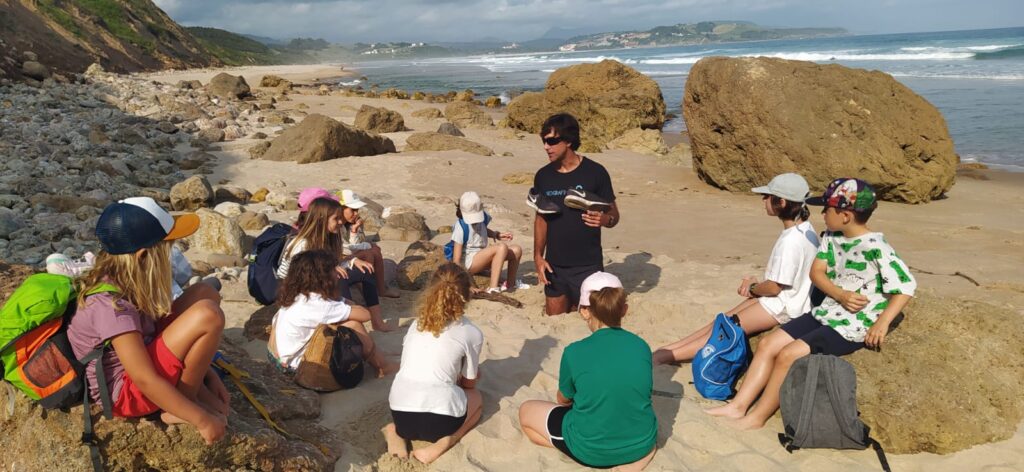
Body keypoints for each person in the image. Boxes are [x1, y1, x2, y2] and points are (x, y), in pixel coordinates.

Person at [706, 178, 917, 430]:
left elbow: (904, 286)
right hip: (825, 312)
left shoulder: (877, 247)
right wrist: (839, 294)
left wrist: (882, 323)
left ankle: (757, 417)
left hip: (852, 324)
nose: (822, 213)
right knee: (767, 344)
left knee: (787, 354)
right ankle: (738, 406)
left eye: (827, 208)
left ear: (846, 215)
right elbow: (816, 273)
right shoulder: (831, 237)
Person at [67, 197, 229, 445]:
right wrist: (201, 420)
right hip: (126, 393)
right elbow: (144, 378)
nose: (173, 255)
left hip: (143, 362)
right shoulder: (111, 305)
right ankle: (179, 405)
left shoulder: (125, 277)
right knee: (208, 314)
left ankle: (190, 392)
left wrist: (206, 372)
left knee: (204, 293)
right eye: (167, 248)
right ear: (143, 256)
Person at [653, 173, 819, 365]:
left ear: (781, 202)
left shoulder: (791, 241)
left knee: (724, 330)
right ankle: (670, 349)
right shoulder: (806, 229)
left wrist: (752, 288)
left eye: (767, 196)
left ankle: (665, 356)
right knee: (722, 320)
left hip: (785, 305)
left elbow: (774, 288)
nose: (764, 200)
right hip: (788, 298)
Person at [519, 272, 657, 470]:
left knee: (526, 411)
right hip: (642, 443)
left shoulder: (574, 351)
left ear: (584, 311)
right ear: (624, 310)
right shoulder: (642, 346)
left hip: (591, 450)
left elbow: (563, 400)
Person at [383, 263, 484, 464]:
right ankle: (446, 442)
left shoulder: (416, 323)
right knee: (477, 399)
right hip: (441, 423)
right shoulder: (471, 332)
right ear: (467, 295)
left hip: (401, 414)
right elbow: (469, 385)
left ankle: (394, 432)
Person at [531, 113, 620, 316]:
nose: (546, 147)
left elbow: (614, 214)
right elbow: (541, 218)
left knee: (594, 321)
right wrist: (537, 256)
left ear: (569, 141)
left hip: (588, 266)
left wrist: (605, 220)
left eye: (552, 141)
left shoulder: (595, 173)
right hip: (555, 267)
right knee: (555, 318)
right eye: (544, 141)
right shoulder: (543, 176)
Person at [269, 250, 398, 378]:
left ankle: (377, 356)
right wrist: (340, 299)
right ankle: (383, 366)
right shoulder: (318, 304)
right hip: (301, 369)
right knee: (352, 324)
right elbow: (365, 315)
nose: (337, 274)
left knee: (339, 319)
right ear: (322, 277)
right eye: (333, 270)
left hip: (280, 361)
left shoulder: (296, 296)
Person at [277, 192, 394, 332]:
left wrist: (352, 261)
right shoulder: (303, 244)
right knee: (340, 278)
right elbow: (295, 276)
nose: (340, 222)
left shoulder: (328, 237)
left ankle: (376, 321)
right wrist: (331, 270)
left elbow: (334, 261)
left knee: (365, 270)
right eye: (336, 219)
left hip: (315, 280)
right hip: (297, 289)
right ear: (322, 219)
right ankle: (347, 324)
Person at [451, 191, 528, 293]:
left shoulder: (483, 218)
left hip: (482, 256)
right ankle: (493, 288)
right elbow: (456, 260)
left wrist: (496, 235)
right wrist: (465, 284)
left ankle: (510, 284)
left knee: (516, 250)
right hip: (470, 262)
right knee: (501, 248)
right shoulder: (460, 227)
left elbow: (483, 230)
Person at [336, 188, 401, 299]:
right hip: (338, 262)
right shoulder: (335, 225)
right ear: (341, 209)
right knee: (369, 252)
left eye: (357, 210)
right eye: (353, 210)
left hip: (343, 257)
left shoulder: (343, 225)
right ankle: (367, 293)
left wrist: (354, 231)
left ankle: (380, 290)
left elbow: (350, 246)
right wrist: (366, 246)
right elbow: (345, 249)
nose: (356, 214)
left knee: (374, 250)